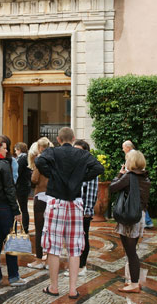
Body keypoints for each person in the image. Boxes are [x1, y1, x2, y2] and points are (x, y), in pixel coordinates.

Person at [35, 127, 104, 300]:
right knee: (74, 247)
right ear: (73, 139)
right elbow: (99, 168)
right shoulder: (81, 155)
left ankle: (54, 286)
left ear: (59, 139)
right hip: (75, 202)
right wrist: (80, 177)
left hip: (56, 201)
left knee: (53, 246)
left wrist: (52, 175)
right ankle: (73, 289)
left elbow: (39, 161)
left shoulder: (53, 152)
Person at [0, 136, 26, 287]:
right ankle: (13, 276)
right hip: (3, 208)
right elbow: (9, 189)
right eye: (4, 148)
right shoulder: (3, 164)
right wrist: (16, 210)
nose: (7, 150)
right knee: (10, 242)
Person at [109, 150, 151, 294]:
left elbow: (112, 187)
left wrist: (120, 174)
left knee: (131, 252)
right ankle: (134, 281)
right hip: (139, 216)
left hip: (128, 217)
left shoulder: (129, 176)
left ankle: (134, 283)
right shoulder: (145, 178)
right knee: (132, 251)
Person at [63, 139, 98, 277]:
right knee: (72, 239)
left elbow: (91, 191)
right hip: (71, 209)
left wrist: (87, 210)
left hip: (83, 210)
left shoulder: (89, 167)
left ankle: (82, 266)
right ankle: (75, 265)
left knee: (83, 238)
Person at [27, 137, 53, 269]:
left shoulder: (40, 161)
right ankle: (49, 260)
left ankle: (38, 259)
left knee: (39, 229)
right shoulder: (55, 160)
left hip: (41, 196)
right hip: (52, 197)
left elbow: (34, 179)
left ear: (39, 148)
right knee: (50, 230)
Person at [123, 141, 153, 229]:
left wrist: (123, 174)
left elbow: (131, 169)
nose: (123, 149)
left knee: (137, 202)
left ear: (128, 147)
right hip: (139, 182)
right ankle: (147, 221)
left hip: (135, 182)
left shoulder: (132, 156)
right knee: (140, 202)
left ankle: (146, 221)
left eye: (123, 147)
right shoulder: (136, 154)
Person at [14, 142, 30, 233]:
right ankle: (25, 228)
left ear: (19, 150)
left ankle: (24, 228)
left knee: (22, 209)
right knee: (24, 208)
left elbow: (17, 173)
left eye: (16, 150)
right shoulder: (26, 158)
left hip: (20, 186)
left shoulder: (21, 159)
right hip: (24, 186)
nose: (15, 152)